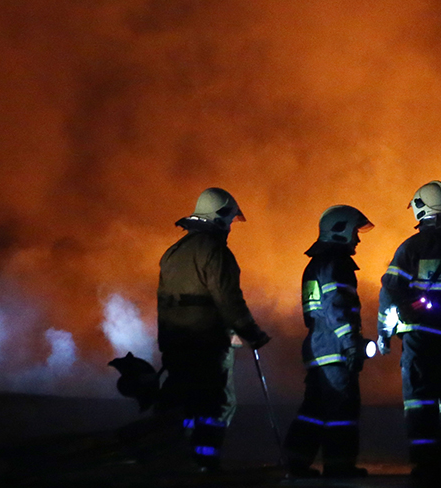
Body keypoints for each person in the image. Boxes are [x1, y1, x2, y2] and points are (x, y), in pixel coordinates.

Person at [155, 187, 271, 472]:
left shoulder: (172, 253)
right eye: (230, 220)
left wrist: (166, 342)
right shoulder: (217, 253)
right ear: (220, 217)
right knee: (217, 404)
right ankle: (206, 462)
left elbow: (164, 302)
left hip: (175, 344)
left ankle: (178, 460)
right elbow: (229, 300)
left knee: (183, 403)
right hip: (208, 345)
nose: (230, 227)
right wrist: (251, 332)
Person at [377, 180, 441, 475]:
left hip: (419, 339)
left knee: (419, 400)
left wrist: (384, 333)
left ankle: (425, 461)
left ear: (421, 207)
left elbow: (390, 291)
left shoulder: (411, 247)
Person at [284, 205, 374, 479]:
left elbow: (315, 313)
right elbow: (337, 306)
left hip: (318, 348)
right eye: (355, 232)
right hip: (335, 350)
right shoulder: (337, 264)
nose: (357, 239)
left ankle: (296, 461)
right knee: (343, 409)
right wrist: (350, 343)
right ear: (340, 230)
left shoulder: (316, 265)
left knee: (314, 409)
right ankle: (339, 465)